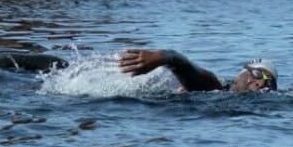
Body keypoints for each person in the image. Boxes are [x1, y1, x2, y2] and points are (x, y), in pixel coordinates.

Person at [118, 48, 277, 93]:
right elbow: (182, 64)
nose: (260, 83)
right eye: (258, 74)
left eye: (268, 82)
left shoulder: (214, 89)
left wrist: (163, 57)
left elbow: (181, 64)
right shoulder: (212, 84)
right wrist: (161, 57)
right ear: (240, 74)